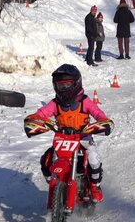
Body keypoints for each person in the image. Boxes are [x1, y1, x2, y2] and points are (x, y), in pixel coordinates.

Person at [24, 64, 114, 203]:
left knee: (93, 159)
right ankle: (55, 186)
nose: (64, 89)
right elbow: (41, 114)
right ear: (55, 86)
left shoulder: (85, 102)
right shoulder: (55, 104)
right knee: (46, 160)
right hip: (62, 139)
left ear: (76, 84)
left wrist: (103, 122)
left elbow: (99, 114)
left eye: (67, 85)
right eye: (61, 85)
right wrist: (33, 120)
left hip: (83, 136)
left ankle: (95, 186)